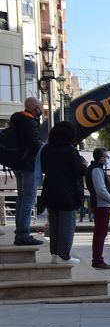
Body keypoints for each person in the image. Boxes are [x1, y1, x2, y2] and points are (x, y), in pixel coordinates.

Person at [39, 122, 86, 264]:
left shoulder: (46, 149)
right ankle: (64, 255)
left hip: (50, 190)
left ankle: (54, 254)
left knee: (54, 225)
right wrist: (83, 164)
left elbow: (43, 168)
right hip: (67, 193)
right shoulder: (70, 150)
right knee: (67, 225)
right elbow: (79, 169)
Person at [10, 97, 44, 246]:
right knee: (28, 200)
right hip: (28, 165)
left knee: (22, 199)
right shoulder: (30, 123)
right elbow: (34, 144)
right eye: (40, 107)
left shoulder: (16, 120)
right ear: (35, 108)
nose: (42, 110)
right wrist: (45, 148)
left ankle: (20, 232)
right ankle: (23, 234)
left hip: (16, 163)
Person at [84, 148, 110, 270]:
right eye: (105, 157)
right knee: (100, 234)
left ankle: (97, 259)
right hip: (101, 205)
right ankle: (98, 260)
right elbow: (100, 189)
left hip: (100, 204)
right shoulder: (96, 169)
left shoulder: (95, 168)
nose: (106, 159)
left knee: (100, 233)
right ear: (101, 157)